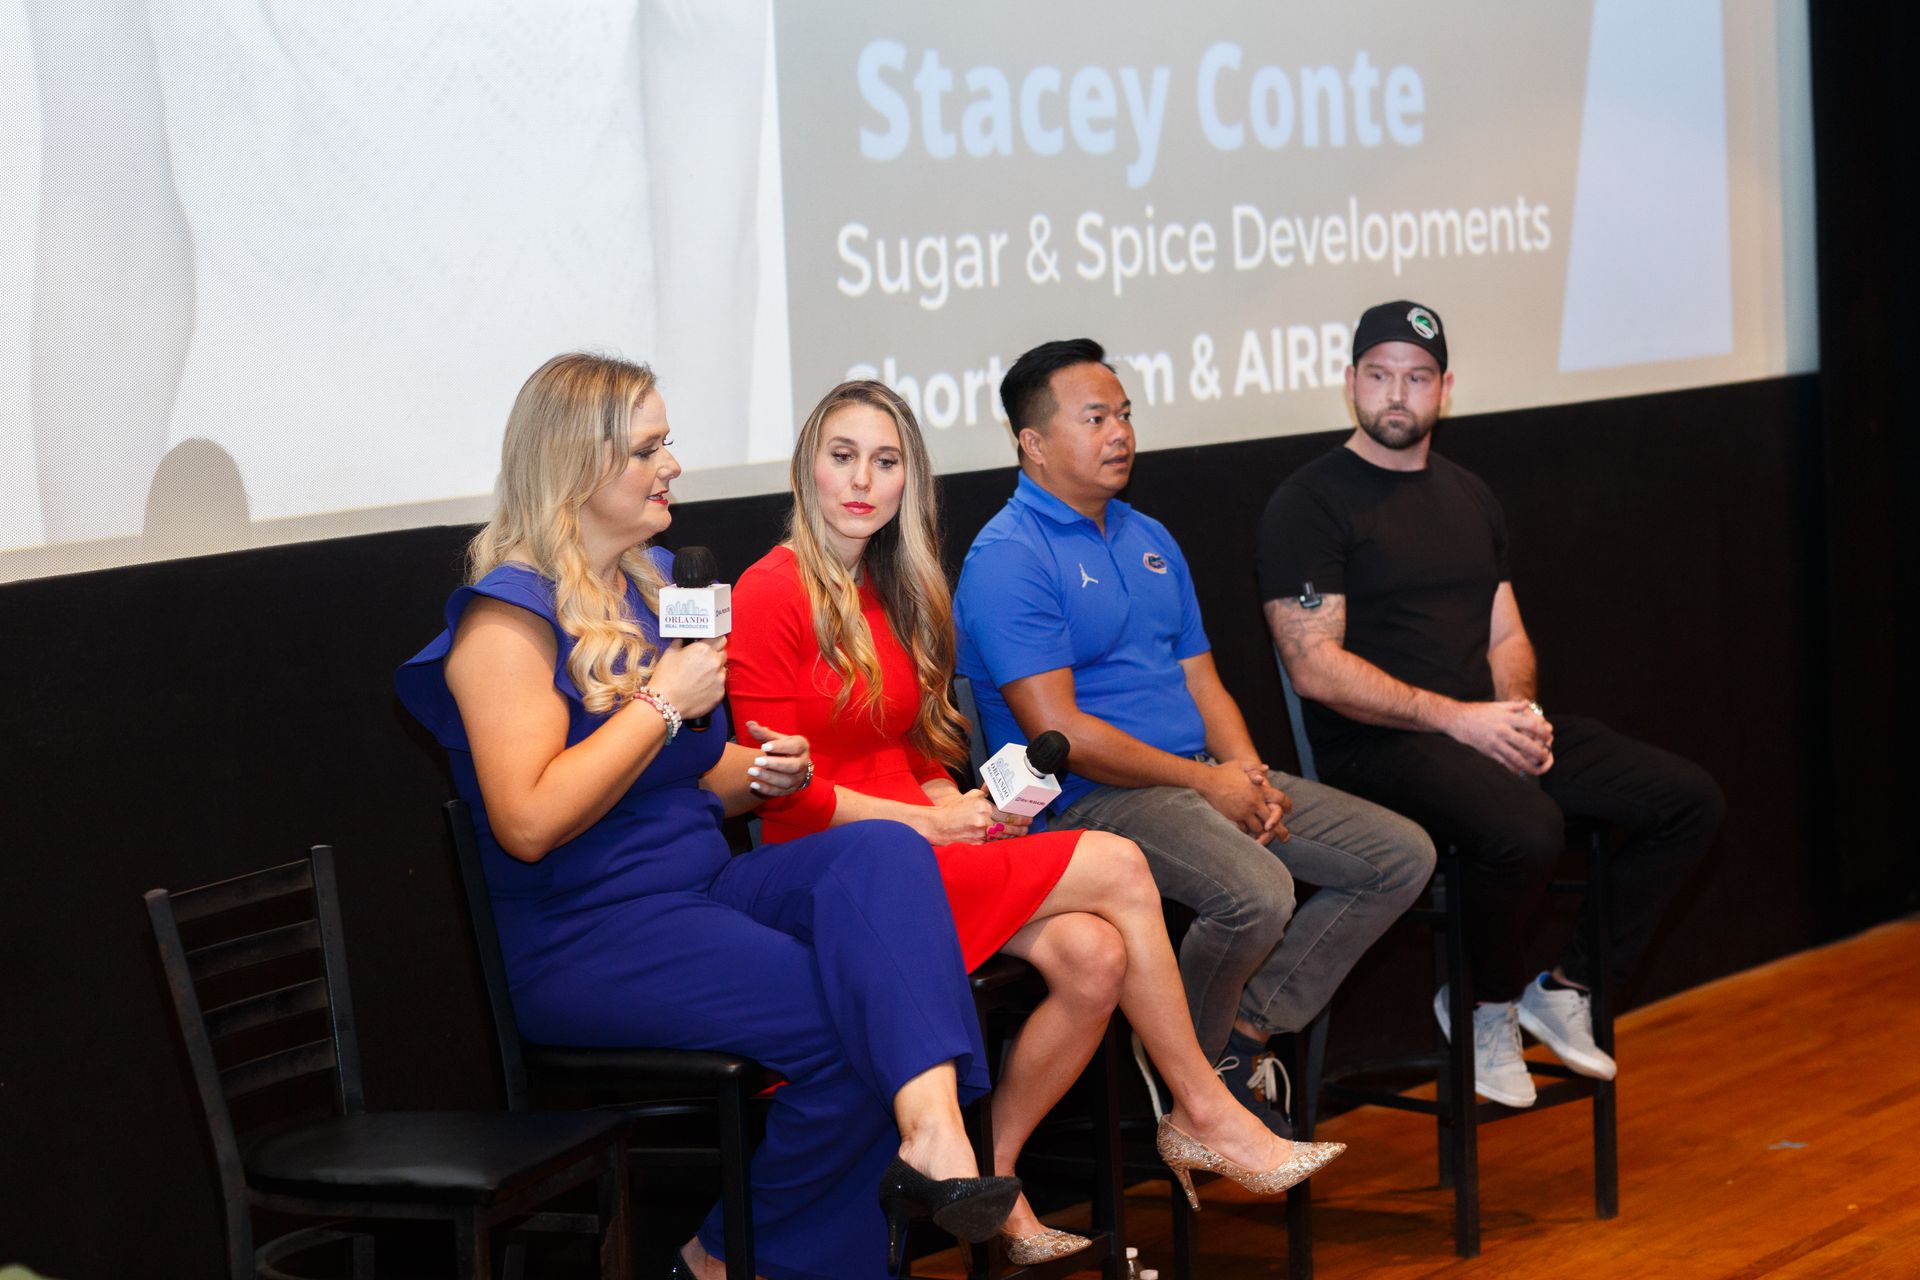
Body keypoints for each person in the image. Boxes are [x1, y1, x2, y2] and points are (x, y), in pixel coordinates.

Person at [396, 353, 1020, 1280]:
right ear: (576, 465)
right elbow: (527, 822)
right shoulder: (505, 624)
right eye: (649, 449)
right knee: (851, 1022)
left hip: (699, 888)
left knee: (884, 851)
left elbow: (689, 777)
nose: (672, 466)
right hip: (589, 932)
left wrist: (766, 772)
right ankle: (723, 1258)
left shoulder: (651, 586)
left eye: (668, 444)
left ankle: (932, 1132)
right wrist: (661, 701)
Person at [729, 380, 1346, 1255]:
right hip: (837, 867)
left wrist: (950, 801)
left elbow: (900, 748)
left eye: (886, 461)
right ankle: (1203, 1109)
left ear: (910, 480)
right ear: (806, 469)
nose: (862, 480)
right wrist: (924, 825)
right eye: (843, 456)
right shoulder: (767, 590)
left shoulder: (893, 589)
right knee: (1120, 866)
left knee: (1095, 957)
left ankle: (998, 1178)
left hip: (916, 841)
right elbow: (775, 784)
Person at [951, 340, 1436, 1134]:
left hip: (1195, 776)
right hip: (1088, 801)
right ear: (1032, 442)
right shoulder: (1009, 558)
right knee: (1256, 892)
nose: (1120, 433)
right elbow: (1060, 731)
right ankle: (1198, 1094)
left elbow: (1203, 683)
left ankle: (1236, 1037)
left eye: (1125, 415)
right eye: (1095, 418)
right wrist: (1206, 783)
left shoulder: (1149, 536)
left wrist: (1246, 774)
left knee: (1398, 856)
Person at [1258, 300, 1725, 1106]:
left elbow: (1506, 633)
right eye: (1379, 375)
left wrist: (1520, 719)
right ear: (1350, 382)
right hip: (1375, 748)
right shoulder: (1310, 501)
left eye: (1416, 377)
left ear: (1445, 389)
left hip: (1480, 731)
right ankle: (1484, 1005)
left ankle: (1569, 987)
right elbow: (1315, 669)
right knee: (1527, 827)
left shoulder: (1469, 494)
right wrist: (1459, 720)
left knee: (1689, 801)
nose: (1396, 394)